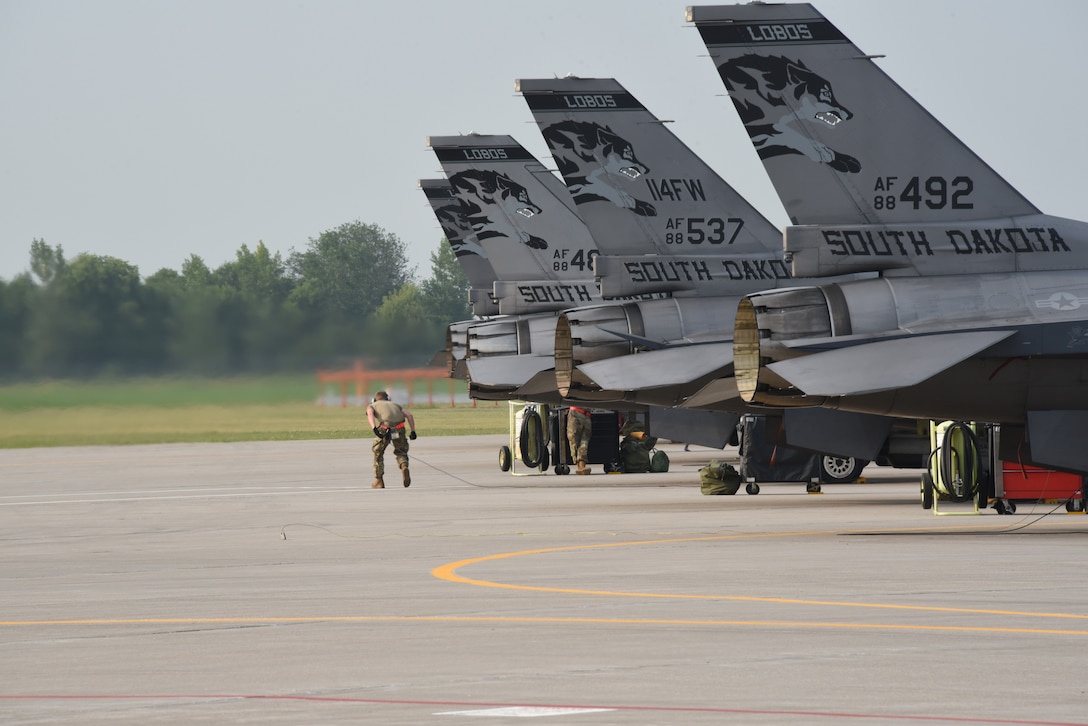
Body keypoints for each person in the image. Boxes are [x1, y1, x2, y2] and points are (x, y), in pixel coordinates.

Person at [365, 390, 417, 489]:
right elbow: (409, 415)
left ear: (374, 400)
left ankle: (379, 481)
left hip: (385, 429)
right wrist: (413, 431)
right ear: (388, 399)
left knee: (378, 453)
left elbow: (370, 414)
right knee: (401, 451)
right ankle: (404, 465)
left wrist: (375, 429)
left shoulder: (373, 405)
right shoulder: (395, 405)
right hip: (399, 428)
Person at [566, 405, 593, 475]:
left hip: (577, 413)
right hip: (584, 414)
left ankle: (580, 466)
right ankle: (581, 465)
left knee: (575, 441)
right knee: (583, 441)